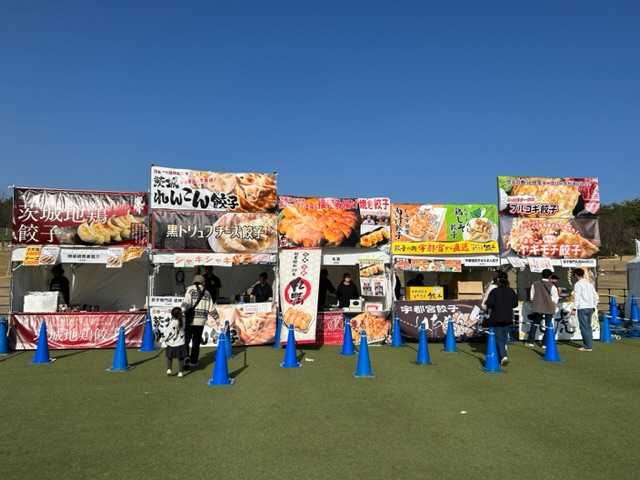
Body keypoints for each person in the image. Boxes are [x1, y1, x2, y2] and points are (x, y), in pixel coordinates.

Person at [181, 274, 217, 367]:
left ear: (194, 281)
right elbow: (211, 308)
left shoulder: (190, 289)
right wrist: (217, 318)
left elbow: (186, 303)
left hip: (190, 319)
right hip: (201, 321)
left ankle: (186, 357)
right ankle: (194, 361)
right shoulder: (207, 293)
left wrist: (181, 311)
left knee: (186, 340)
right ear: (203, 282)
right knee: (196, 341)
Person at [484, 273, 518, 365]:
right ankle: (502, 352)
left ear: (498, 281)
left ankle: (503, 356)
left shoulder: (494, 291)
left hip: (497, 317)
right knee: (504, 337)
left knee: (499, 338)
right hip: (508, 317)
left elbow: (490, 303)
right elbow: (515, 304)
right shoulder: (511, 291)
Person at [526, 269, 559, 347]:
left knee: (535, 324)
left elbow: (532, 297)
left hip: (538, 307)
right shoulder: (552, 286)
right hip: (549, 307)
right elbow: (555, 299)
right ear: (550, 276)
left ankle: (530, 342)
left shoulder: (535, 284)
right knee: (548, 326)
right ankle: (544, 343)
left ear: (542, 275)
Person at [571, 268, 599, 351]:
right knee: (588, 326)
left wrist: (574, 308)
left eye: (574, 275)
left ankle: (587, 346)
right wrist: (594, 305)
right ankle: (589, 344)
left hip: (582, 307)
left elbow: (577, 298)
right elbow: (596, 296)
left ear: (576, 275)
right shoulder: (589, 283)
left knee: (584, 327)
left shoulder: (578, 284)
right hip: (590, 307)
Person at [164, 307, 188, 377]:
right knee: (181, 358)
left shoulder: (173, 322)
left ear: (172, 314)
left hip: (172, 343)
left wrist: (164, 339)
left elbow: (169, 333)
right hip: (180, 343)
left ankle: (169, 369)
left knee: (169, 356)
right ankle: (180, 372)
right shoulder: (183, 320)